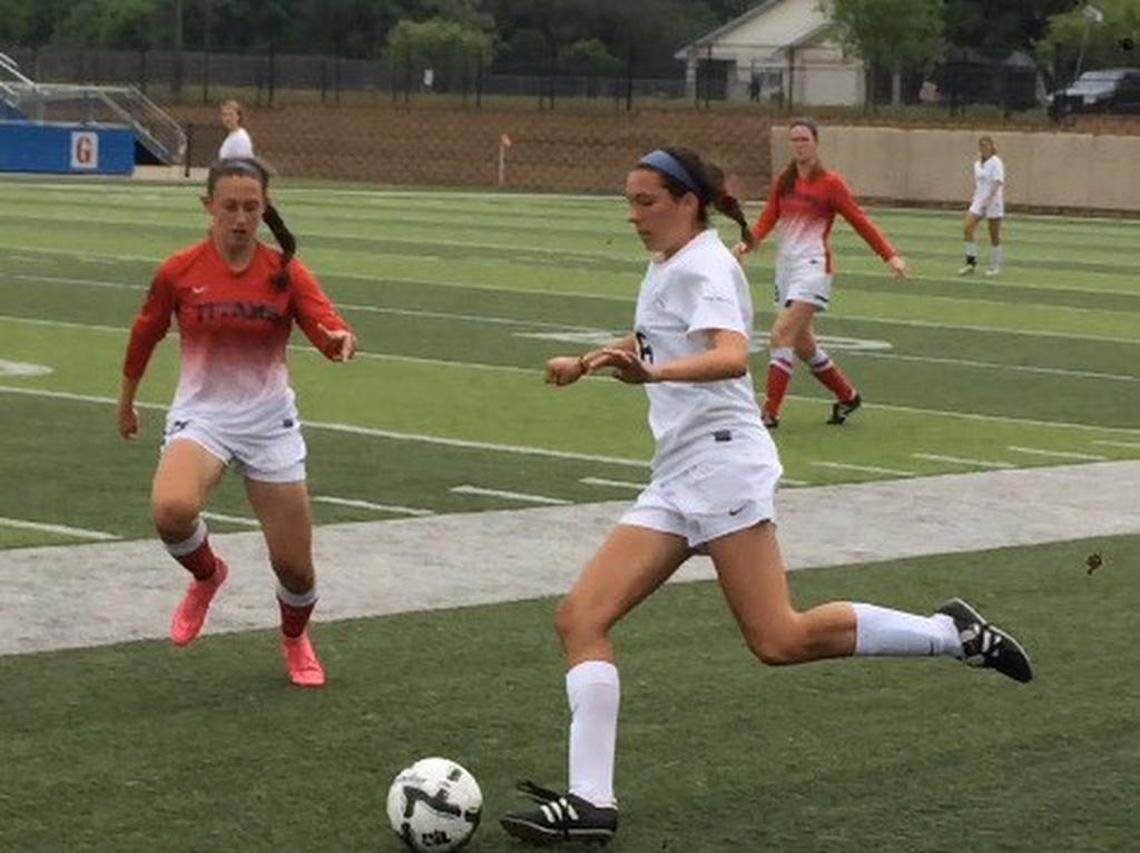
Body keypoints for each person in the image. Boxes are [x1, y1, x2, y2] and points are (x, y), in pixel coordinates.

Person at [499, 146, 1031, 846]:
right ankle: (591, 802)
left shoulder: (708, 264)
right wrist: (597, 358)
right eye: (628, 201)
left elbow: (728, 353)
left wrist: (650, 375)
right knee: (580, 618)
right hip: (679, 472)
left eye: (646, 201)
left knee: (778, 637)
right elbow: (656, 334)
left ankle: (948, 633)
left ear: (687, 202)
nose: (633, 215)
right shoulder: (669, 262)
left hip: (722, 467)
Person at [116, 157, 357, 688]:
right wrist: (127, 400)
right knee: (171, 510)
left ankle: (294, 638)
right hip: (203, 418)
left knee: (295, 570)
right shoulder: (179, 271)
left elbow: (326, 325)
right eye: (230, 206)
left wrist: (339, 342)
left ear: (264, 208)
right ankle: (208, 575)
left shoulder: (284, 271)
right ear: (209, 207)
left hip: (270, 424)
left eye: (252, 206)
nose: (241, 217)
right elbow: (145, 333)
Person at [733, 117, 907, 430]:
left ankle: (769, 412)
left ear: (816, 143)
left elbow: (859, 220)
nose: (799, 145)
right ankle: (847, 396)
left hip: (813, 267)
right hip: (786, 270)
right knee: (802, 345)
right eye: (795, 140)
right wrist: (747, 243)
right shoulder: (784, 182)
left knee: (780, 335)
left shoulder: (830, 184)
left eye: (805, 139)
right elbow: (767, 219)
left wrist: (889, 255)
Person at [959, 135, 1005, 277]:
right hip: (978, 200)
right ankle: (970, 263)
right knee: (967, 228)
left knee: (994, 235)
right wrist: (979, 200)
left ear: (992, 147)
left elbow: (997, 182)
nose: (984, 148)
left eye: (987, 146)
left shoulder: (996, 162)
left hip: (994, 202)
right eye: (981, 146)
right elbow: (980, 184)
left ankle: (995, 266)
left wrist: (988, 201)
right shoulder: (977, 164)